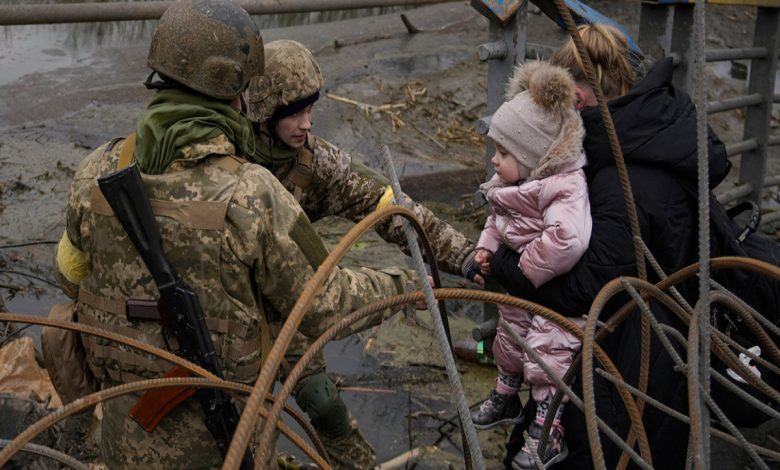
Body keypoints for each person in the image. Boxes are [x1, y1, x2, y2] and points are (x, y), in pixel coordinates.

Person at [51, 1, 419, 468]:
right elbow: (326, 305)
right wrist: (404, 287)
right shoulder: (252, 192)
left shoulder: (96, 172)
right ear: (236, 92)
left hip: (123, 442)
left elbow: (69, 277)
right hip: (224, 443)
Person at [489, 24, 731, 470]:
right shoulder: (660, 126)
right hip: (672, 350)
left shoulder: (620, 175)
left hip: (625, 366)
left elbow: (595, 286)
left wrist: (500, 268)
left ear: (577, 101)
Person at [241, 39, 479, 469]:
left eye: (311, 110)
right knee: (237, 425)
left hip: (289, 304)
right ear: (264, 112)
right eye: (294, 112)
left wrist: (463, 255)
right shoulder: (225, 156)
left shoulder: (317, 165)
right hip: (230, 309)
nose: (306, 124)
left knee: (324, 404)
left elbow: (389, 208)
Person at [467, 60, 590, 469]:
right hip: (522, 291)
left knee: (546, 355)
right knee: (509, 336)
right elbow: (496, 221)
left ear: (534, 154)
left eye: (503, 153)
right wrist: (486, 249)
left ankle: (547, 429)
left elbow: (567, 239)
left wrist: (524, 270)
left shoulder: (564, 187)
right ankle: (505, 395)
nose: (494, 163)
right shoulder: (513, 184)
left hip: (554, 298)